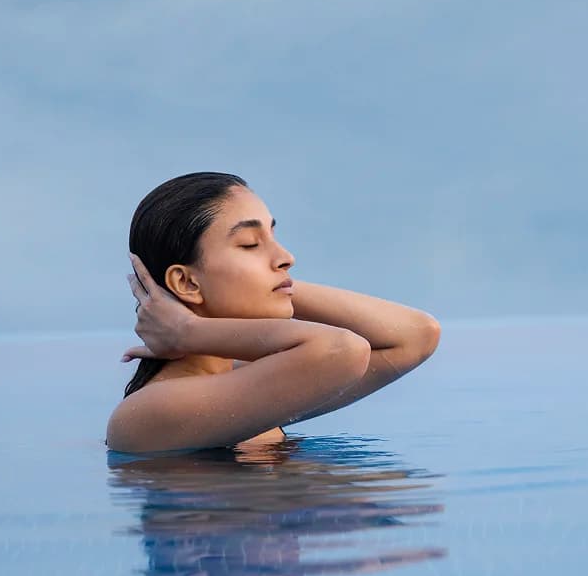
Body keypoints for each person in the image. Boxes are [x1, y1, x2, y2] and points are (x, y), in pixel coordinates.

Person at [106, 172, 440, 454]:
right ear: (186, 282)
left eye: (273, 235)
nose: (286, 257)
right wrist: (187, 331)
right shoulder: (148, 410)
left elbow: (417, 334)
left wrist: (277, 284)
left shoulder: (247, 378)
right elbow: (343, 350)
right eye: (250, 244)